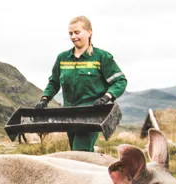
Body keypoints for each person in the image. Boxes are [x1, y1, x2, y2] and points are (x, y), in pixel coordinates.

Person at [34, 16, 127, 152]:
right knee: (77, 153)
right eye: (70, 33)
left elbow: (120, 81)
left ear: (89, 32)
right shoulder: (63, 58)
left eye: (77, 32)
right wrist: (44, 99)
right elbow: (54, 82)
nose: (73, 36)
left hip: (91, 114)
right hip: (69, 114)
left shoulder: (101, 57)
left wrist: (107, 96)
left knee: (79, 151)